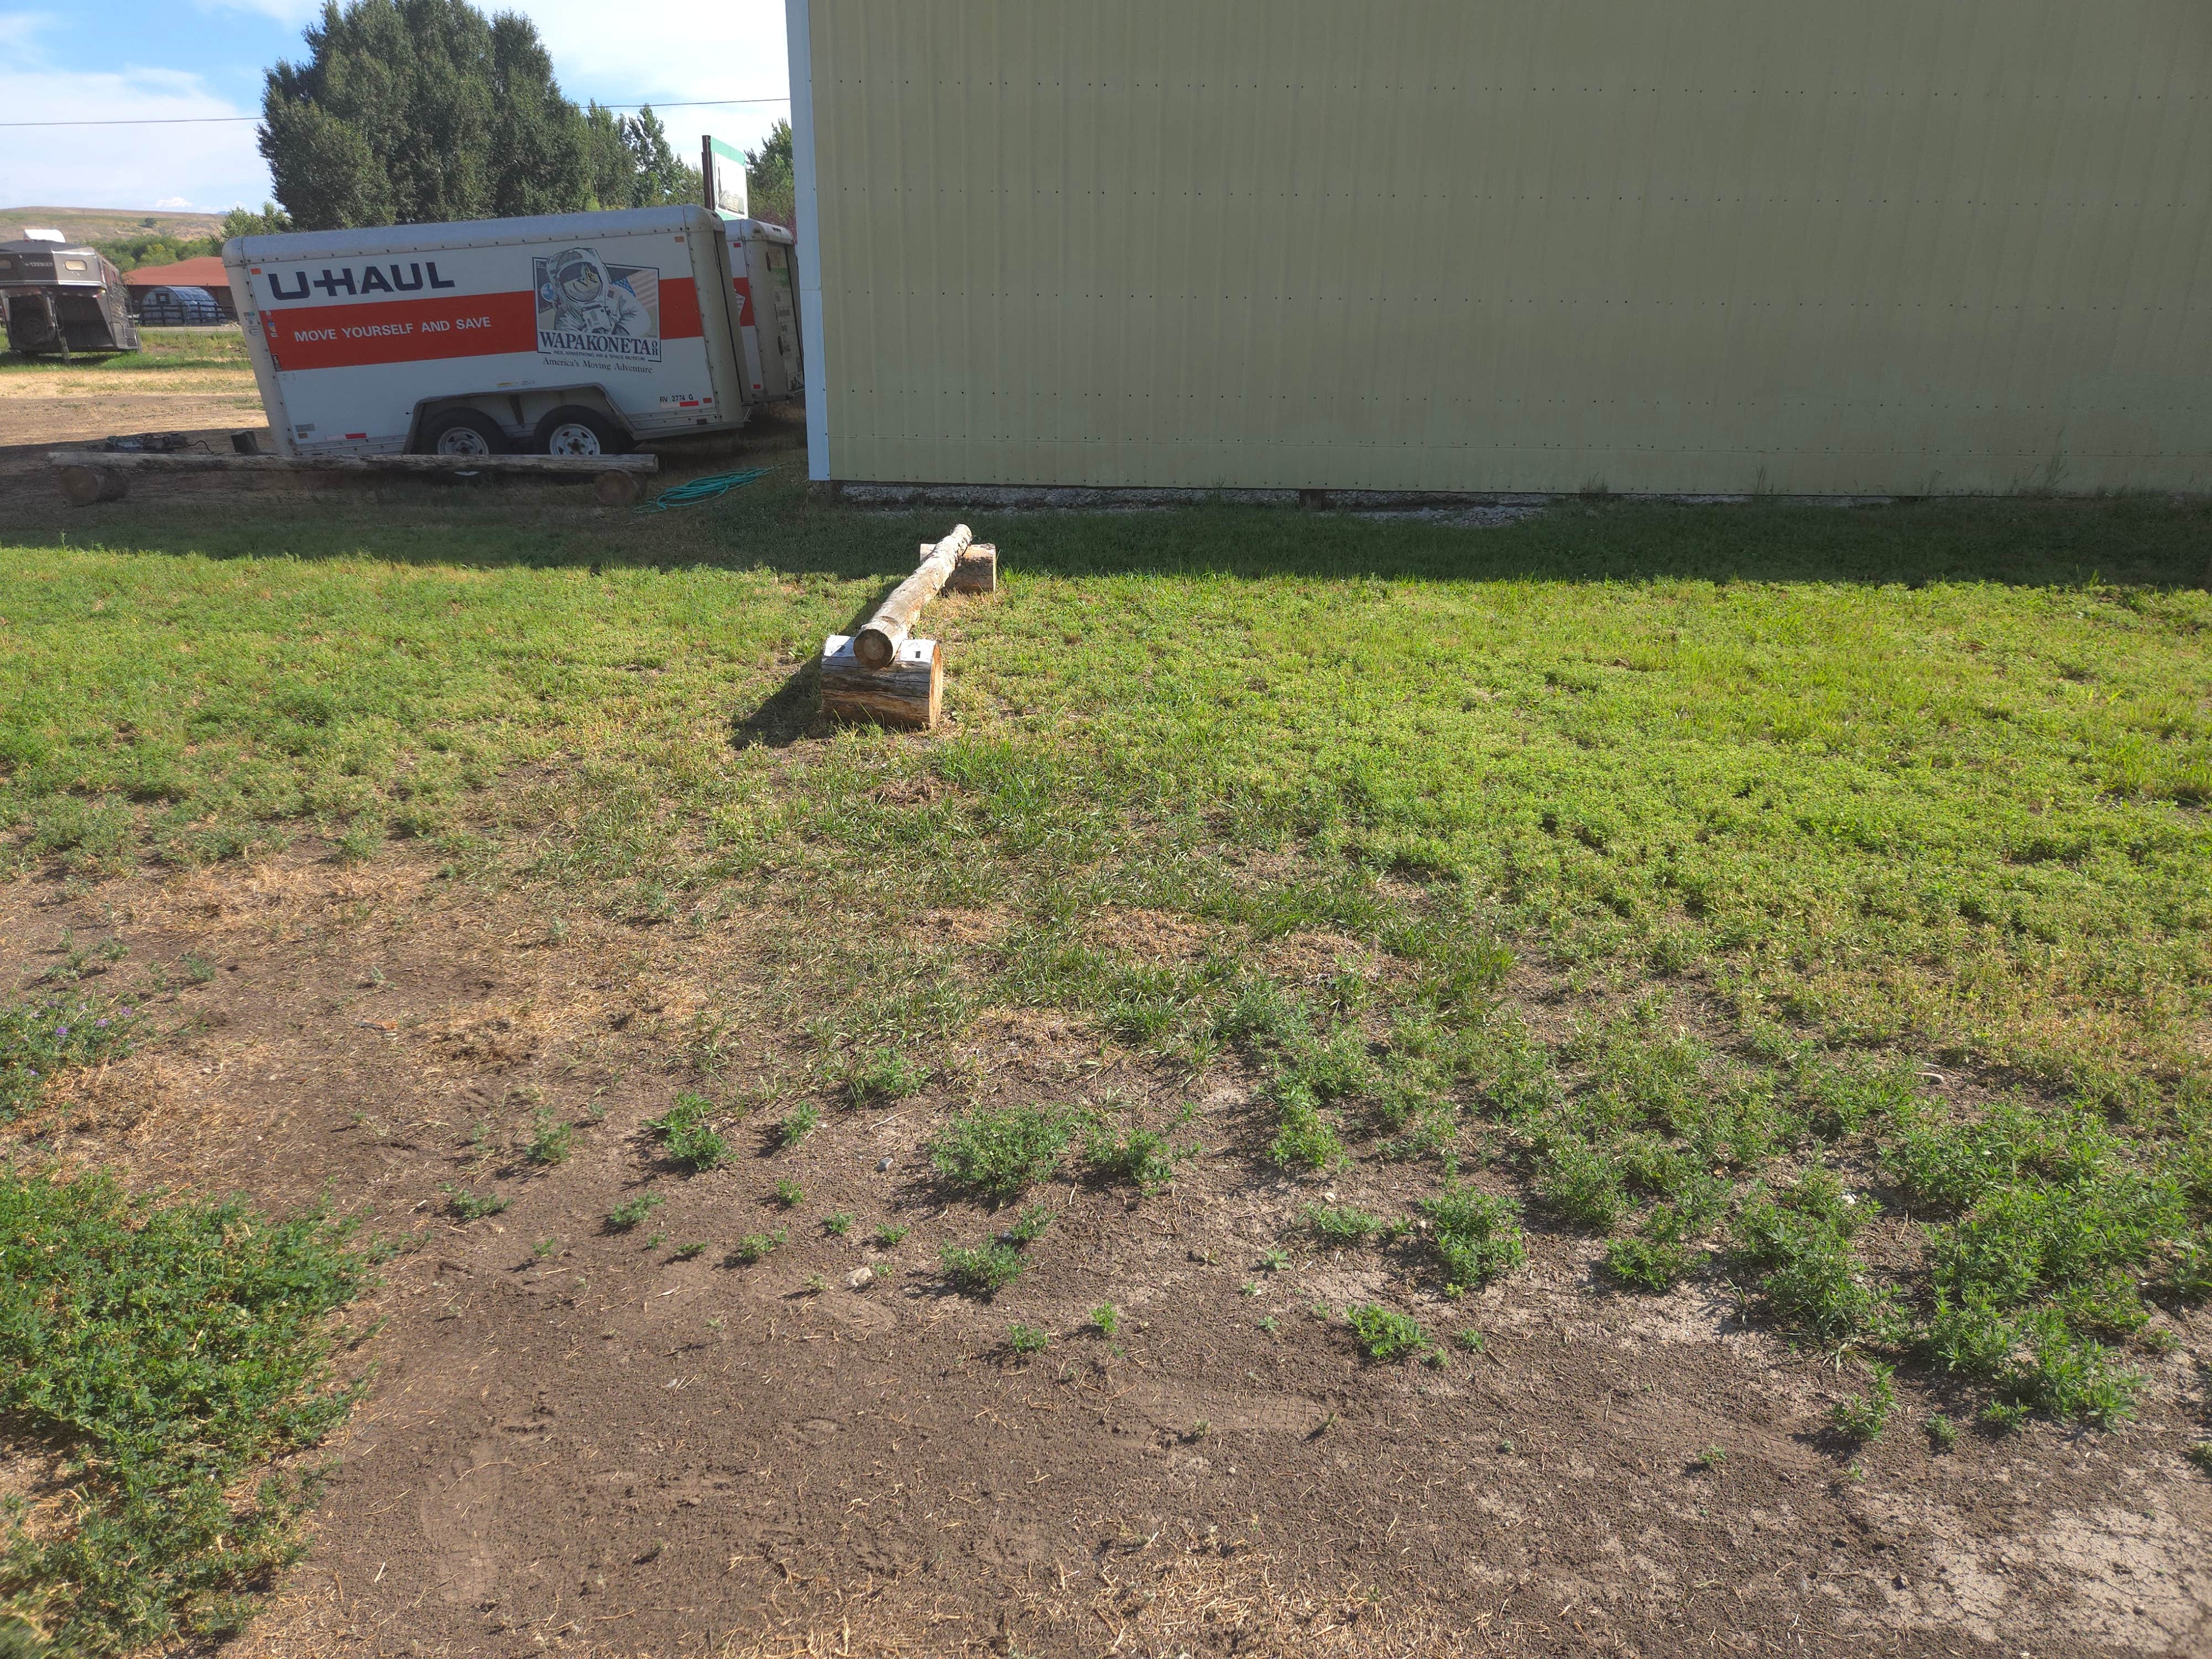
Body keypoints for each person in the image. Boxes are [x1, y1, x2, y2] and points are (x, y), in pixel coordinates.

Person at [549, 247, 645, 337]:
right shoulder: (566, 313)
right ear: (561, 286)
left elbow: (641, 316)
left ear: (601, 274)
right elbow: (567, 338)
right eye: (571, 277)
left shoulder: (615, 294)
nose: (584, 282)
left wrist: (621, 332)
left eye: (588, 274)